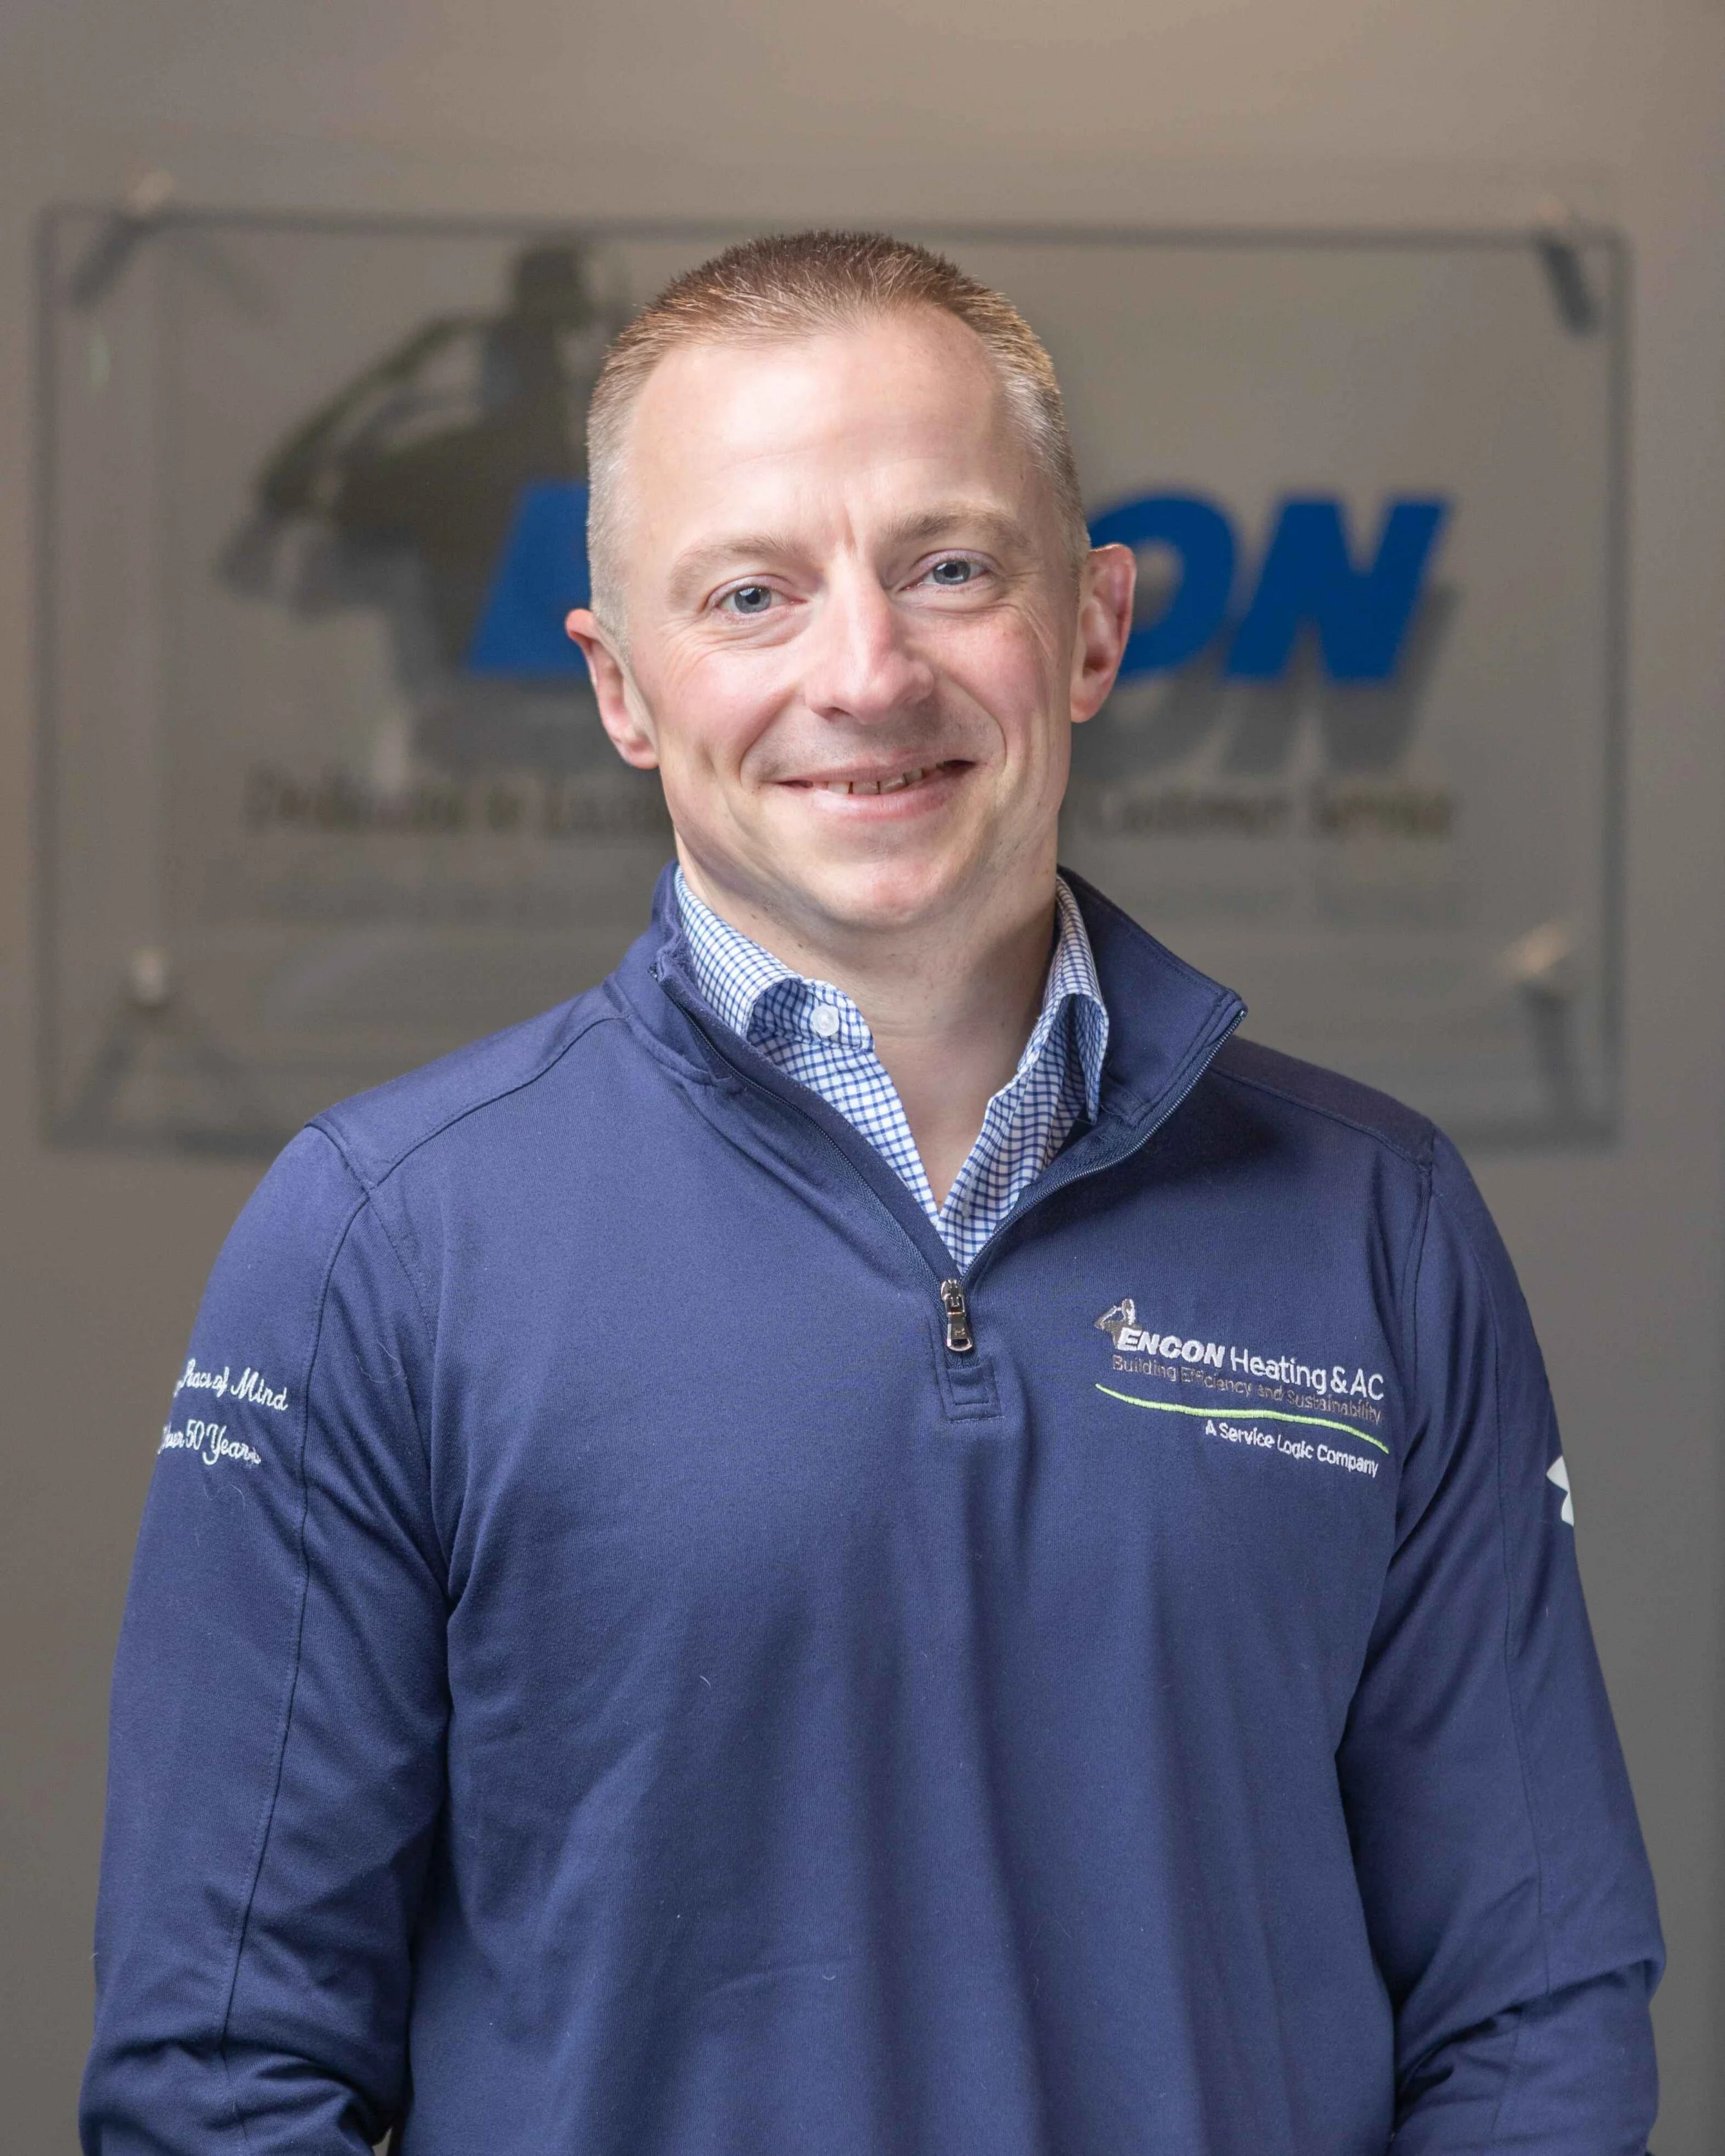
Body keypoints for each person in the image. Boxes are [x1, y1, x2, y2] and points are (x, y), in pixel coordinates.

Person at [82, 231, 1662, 2155]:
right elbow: (222, 2075)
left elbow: (1535, 2014)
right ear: (623, 687)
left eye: (949, 568)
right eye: (750, 593)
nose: (865, 673)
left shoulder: (1377, 1226)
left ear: (1092, 626)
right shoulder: (376, 1245)